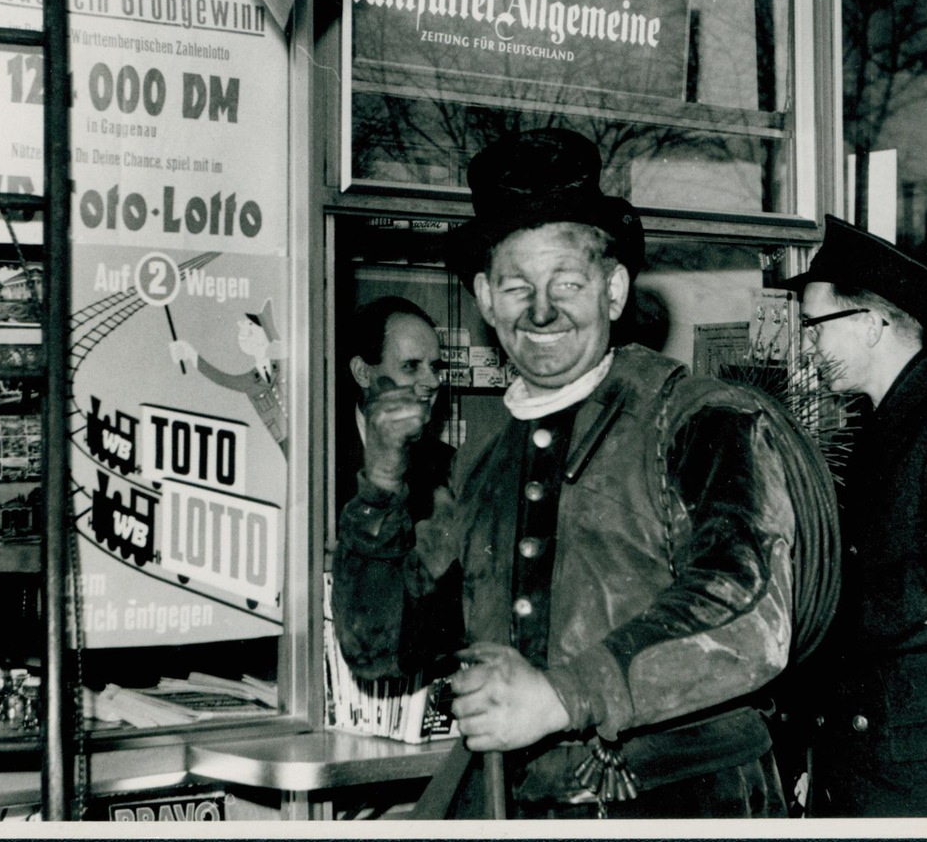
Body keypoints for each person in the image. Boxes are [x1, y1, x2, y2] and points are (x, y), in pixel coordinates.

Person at [331, 128, 840, 819]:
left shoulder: (702, 418)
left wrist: (567, 693)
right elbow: (382, 651)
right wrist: (381, 484)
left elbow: (749, 609)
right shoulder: (490, 455)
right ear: (485, 298)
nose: (540, 310)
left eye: (566, 282)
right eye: (516, 286)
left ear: (614, 289)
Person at [782, 215, 927, 817]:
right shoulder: (887, 420)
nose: (808, 347)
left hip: (916, 763)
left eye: (813, 327)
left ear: (872, 324)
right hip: (872, 746)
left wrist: (817, 608)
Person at [336, 296, 452, 526]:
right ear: (362, 372)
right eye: (411, 366)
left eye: (434, 367)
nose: (432, 381)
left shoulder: (448, 466)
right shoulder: (321, 456)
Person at [169, 298, 288, 454]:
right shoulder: (249, 381)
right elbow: (221, 378)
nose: (244, 334)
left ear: (265, 336)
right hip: (281, 439)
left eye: (250, 327)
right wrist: (191, 354)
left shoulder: (284, 366)